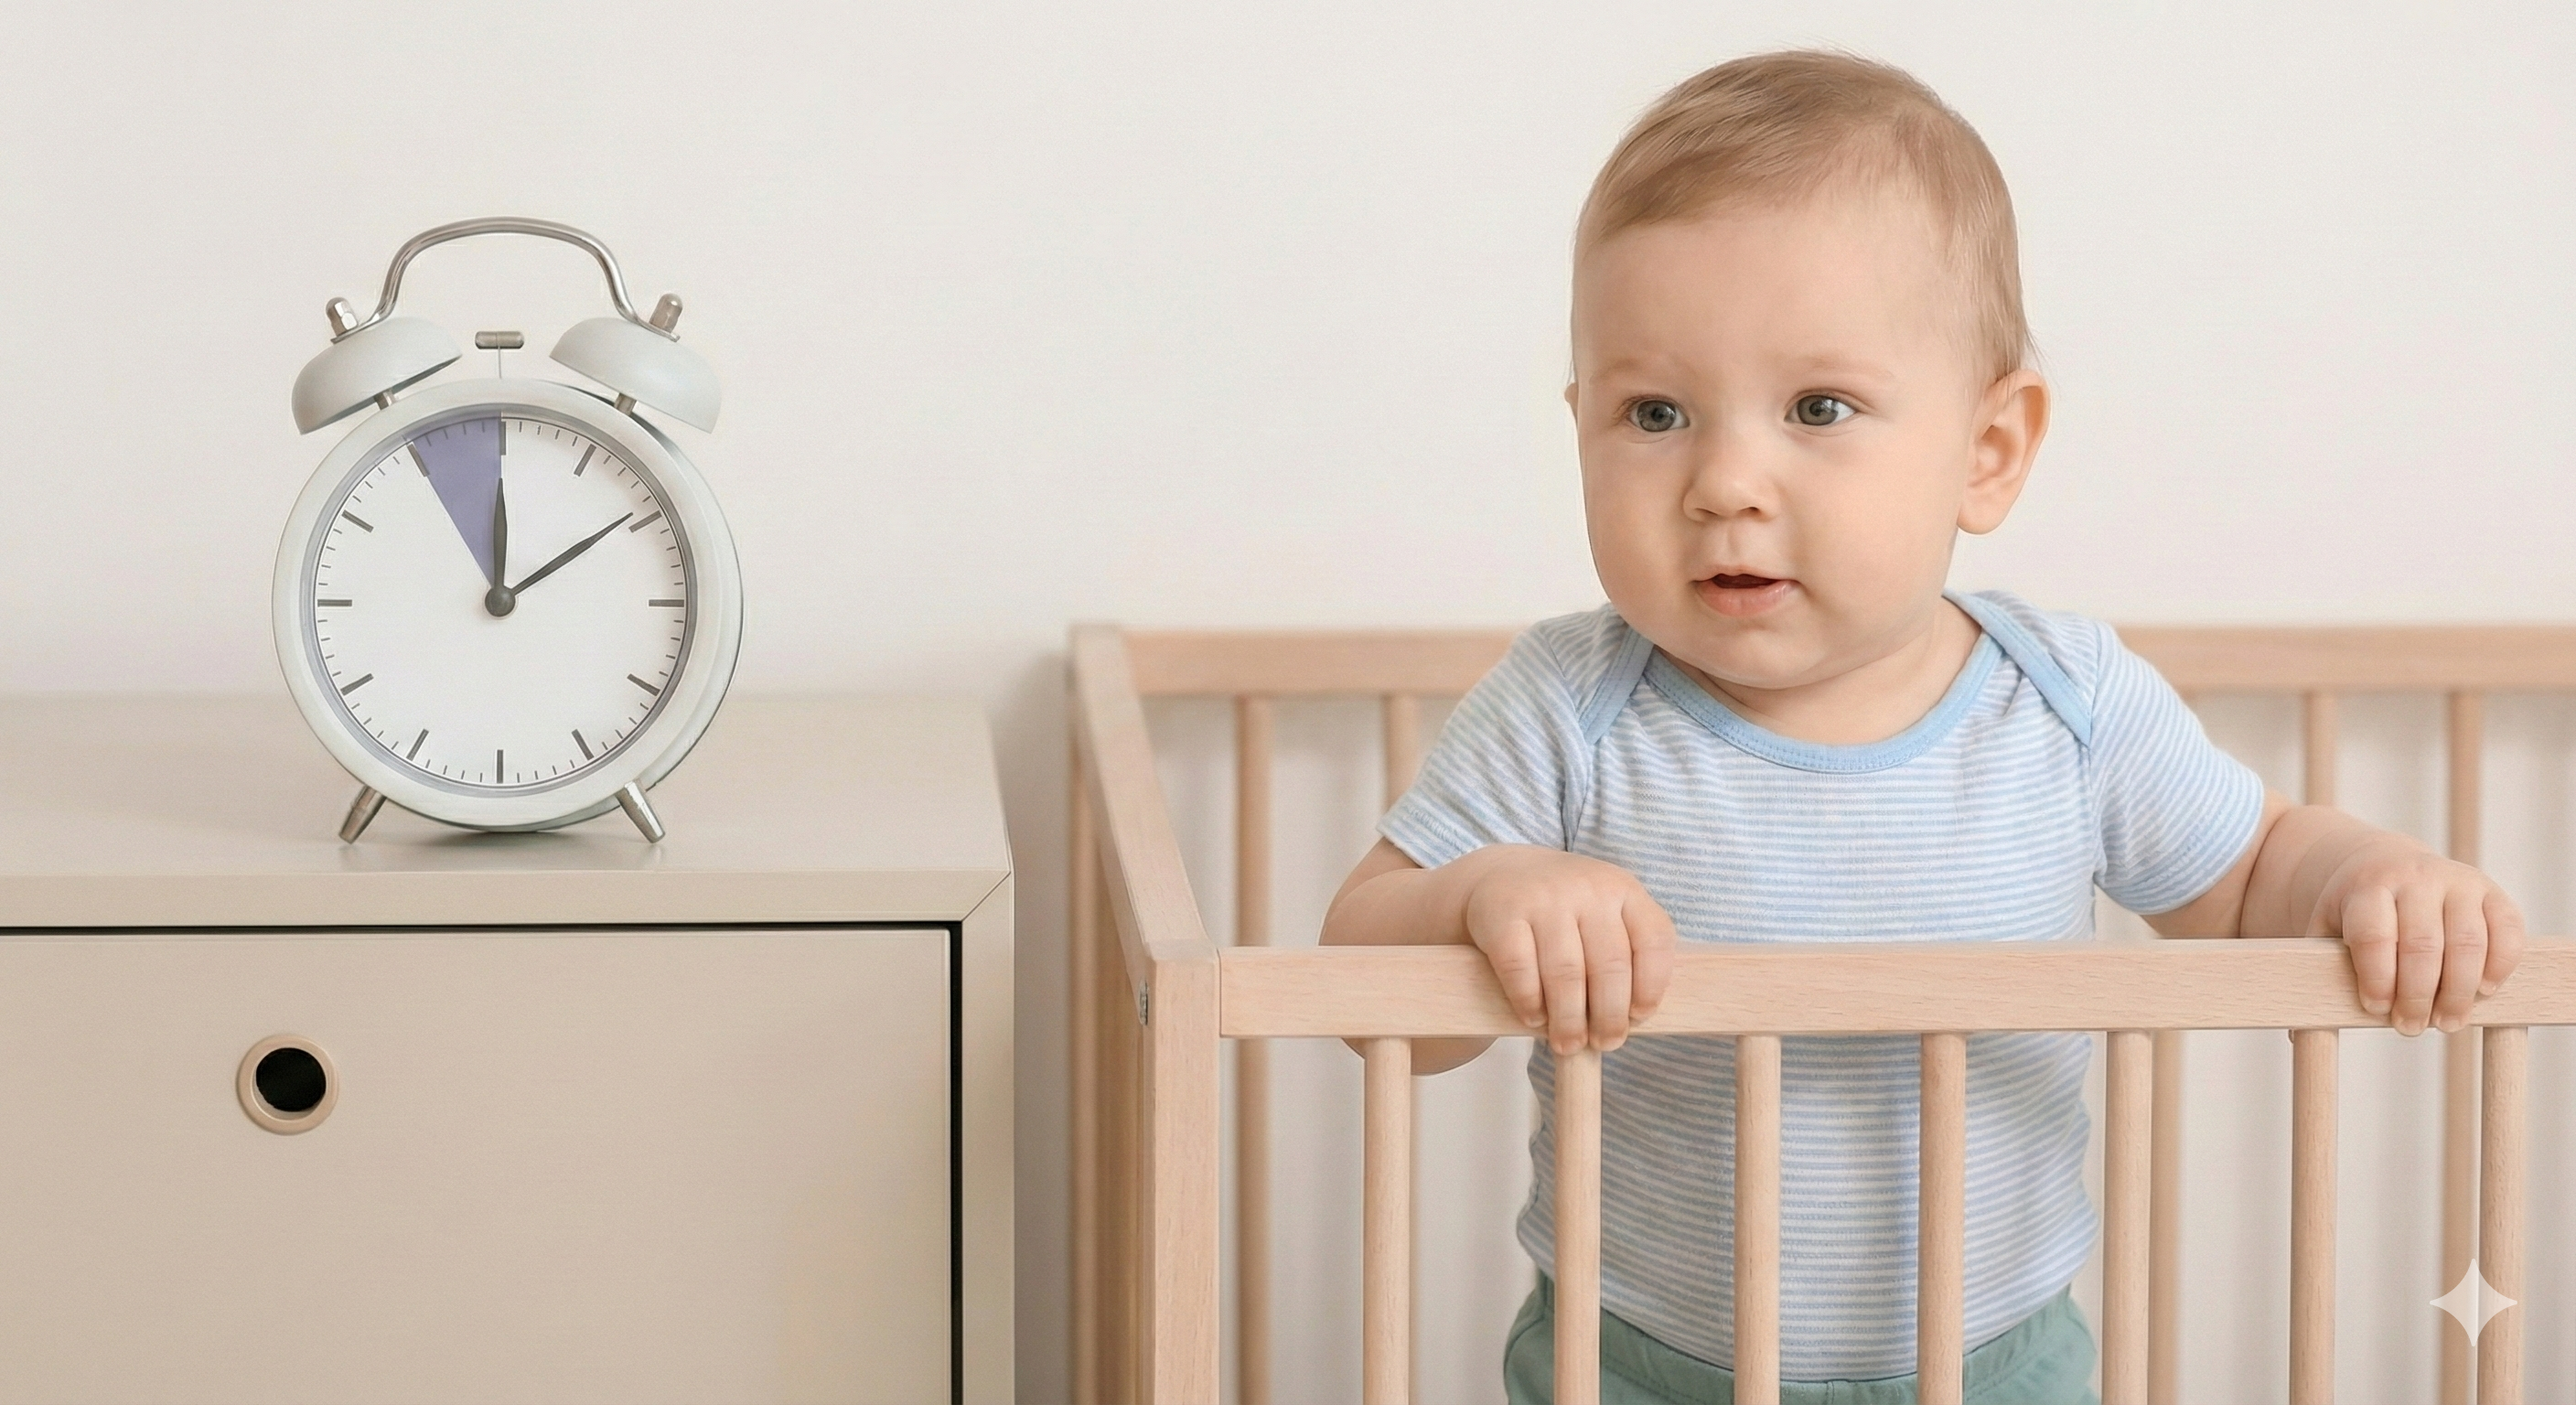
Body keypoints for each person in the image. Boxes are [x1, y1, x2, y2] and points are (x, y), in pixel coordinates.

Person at [1318, 49, 2525, 1404]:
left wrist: (2371, 878)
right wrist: (1484, 894)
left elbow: (2250, 880)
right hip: (1639, 1364)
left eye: (1818, 408)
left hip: (1996, 1364)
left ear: (1988, 452)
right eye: (1655, 413)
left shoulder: (2062, 703)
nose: (1724, 482)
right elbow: (1365, 986)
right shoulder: (1569, 706)